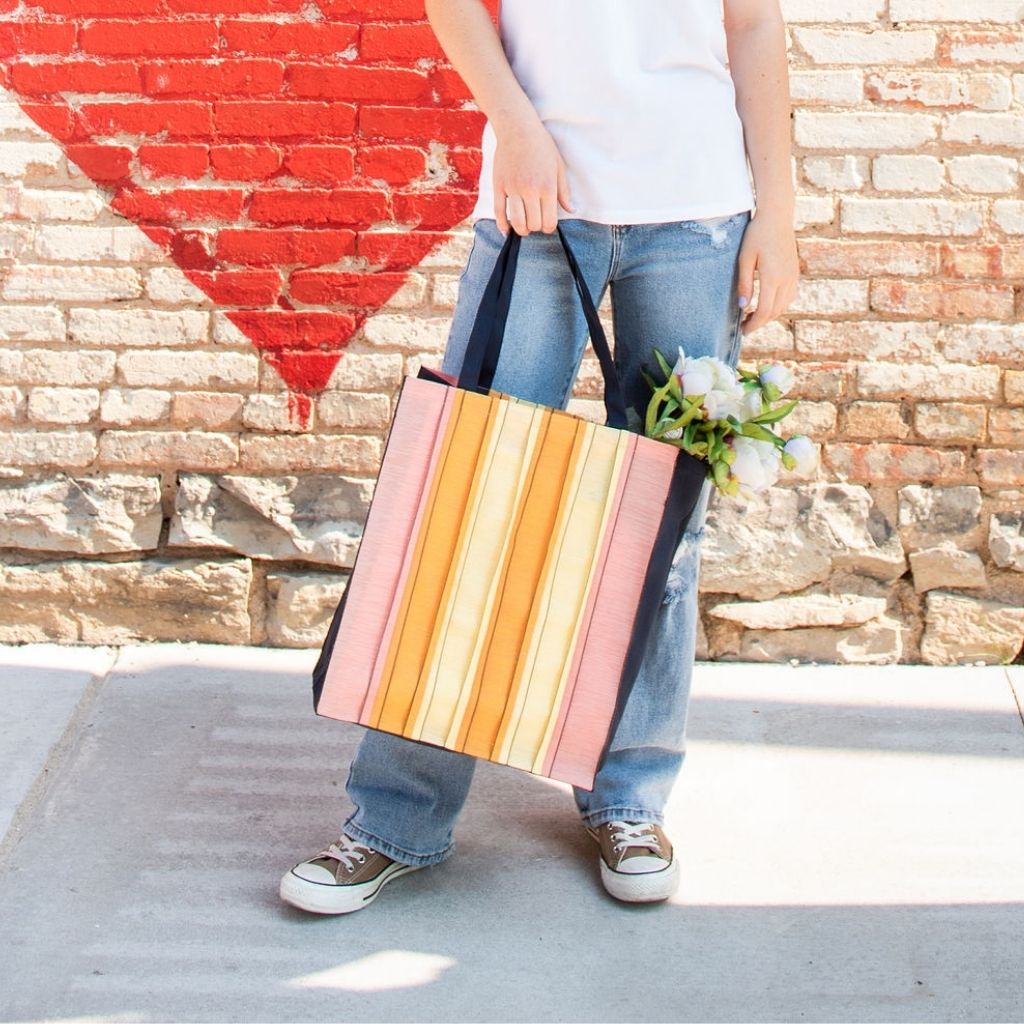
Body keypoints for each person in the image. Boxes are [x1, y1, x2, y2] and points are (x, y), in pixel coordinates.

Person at [280, 0, 799, 914]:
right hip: (535, 205)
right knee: (471, 505)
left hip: (697, 220)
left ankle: (628, 800)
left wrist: (780, 216)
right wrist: (513, 125)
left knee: (662, 535)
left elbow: (753, 25)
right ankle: (396, 819)